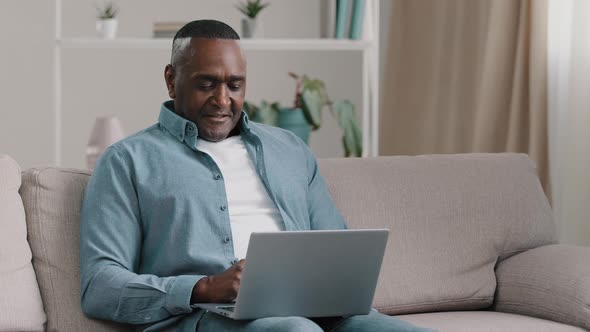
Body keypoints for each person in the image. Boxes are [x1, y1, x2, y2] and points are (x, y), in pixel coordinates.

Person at [80, 19, 434, 332]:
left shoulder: (289, 149)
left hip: (316, 312)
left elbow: (336, 244)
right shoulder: (128, 161)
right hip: (202, 317)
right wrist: (203, 287)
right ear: (172, 80)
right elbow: (99, 285)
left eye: (235, 85)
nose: (223, 100)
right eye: (207, 84)